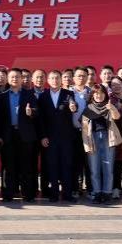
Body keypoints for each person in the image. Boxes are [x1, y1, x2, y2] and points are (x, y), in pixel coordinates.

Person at [0, 68, 38, 203]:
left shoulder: (29, 94)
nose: (15, 79)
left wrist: (31, 112)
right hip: (8, 135)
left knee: (26, 166)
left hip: (25, 135)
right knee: (8, 166)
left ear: (21, 79)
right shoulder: (2, 96)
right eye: (12, 77)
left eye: (17, 77)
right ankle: (8, 194)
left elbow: (37, 112)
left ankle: (27, 194)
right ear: (8, 79)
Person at [36, 70, 78, 202]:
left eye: (57, 78)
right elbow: (40, 119)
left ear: (61, 80)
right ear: (48, 81)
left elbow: (73, 105)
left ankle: (67, 194)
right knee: (52, 166)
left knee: (66, 165)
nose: (55, 80)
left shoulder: (68, 94)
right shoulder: (43, 96)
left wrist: (73, 107)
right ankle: (53, 194)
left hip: (66, 137)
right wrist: (43, 136)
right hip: (50, 138)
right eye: (52, 78)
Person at [80, 84, 122, 204]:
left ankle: (107, 193)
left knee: (108, 168)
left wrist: (112, 108)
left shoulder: (109, 106)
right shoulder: (88, 108)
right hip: (92, 139)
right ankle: (97, 193)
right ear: (92, 95)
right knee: (94, 168)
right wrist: (86, 145)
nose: (99, 95)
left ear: (105, 94)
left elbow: (117, 117)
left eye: (102, 93)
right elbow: (84, 128)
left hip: (108, 138)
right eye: (96, 93)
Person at [69, 66, 92, 197]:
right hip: (73, 132)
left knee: (89, 162)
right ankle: (75, 188)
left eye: (84, 76)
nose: (81, 78)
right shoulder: (67, 92)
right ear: (73, 78)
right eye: (79, 76)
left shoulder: (92, 92)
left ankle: (90, 188)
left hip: (89, 132)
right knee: (74, 162)